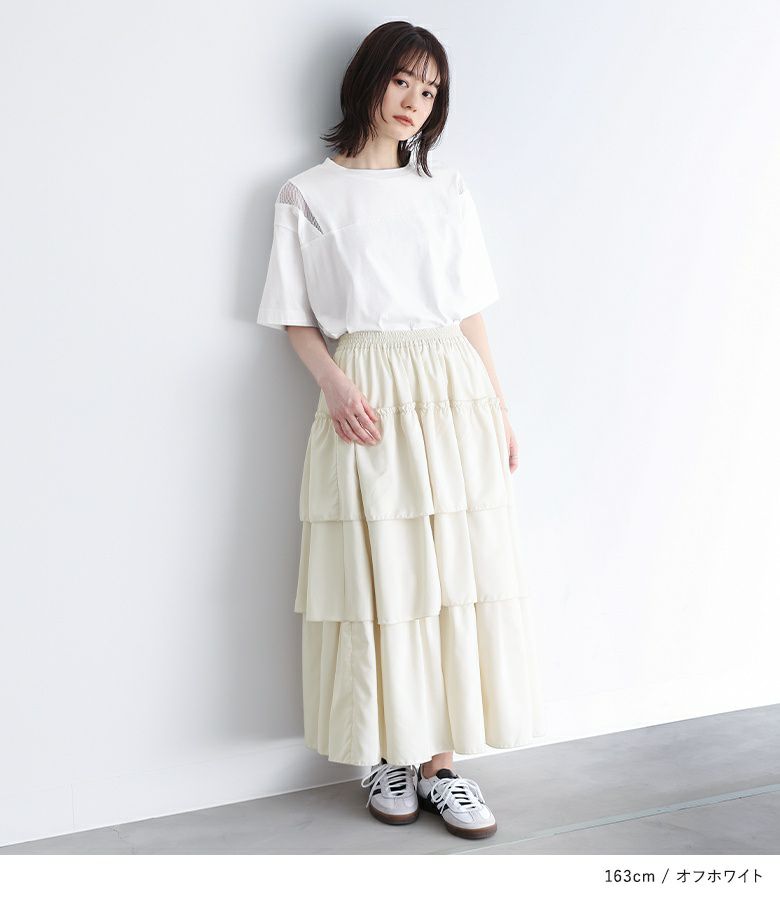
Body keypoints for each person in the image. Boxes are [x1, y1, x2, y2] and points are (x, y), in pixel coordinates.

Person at [256, 21, 545, 841]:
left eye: (431, 89)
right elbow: (295, 316)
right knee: (378, 570)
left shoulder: (445, 191)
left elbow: (469, 311)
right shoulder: (307, 195)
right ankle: (386, 752)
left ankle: (441, 765)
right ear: (369, 81)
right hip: (369, 389)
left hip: (451, 385)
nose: (416, 101)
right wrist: (335, 383)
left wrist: (498, 407)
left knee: (453, 571)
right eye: (403, 82)